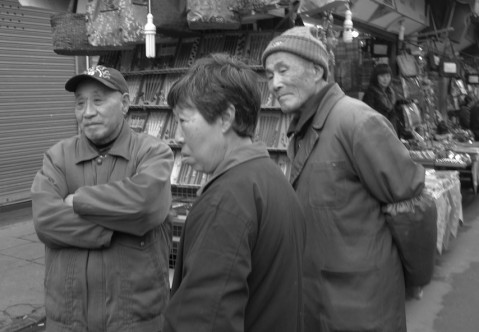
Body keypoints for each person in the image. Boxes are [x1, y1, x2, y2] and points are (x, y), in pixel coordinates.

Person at [262, 26, 425, 331]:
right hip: (316, 301)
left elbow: (412, 207)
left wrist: (414, 278)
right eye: (269, 75)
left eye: (283, 70)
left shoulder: (358, 122)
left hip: (363, 308)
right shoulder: (300, 132)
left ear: (316, 69)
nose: (275, 83)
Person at [163, 53, 306, 332]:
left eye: (183, 120)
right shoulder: (272, 179)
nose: (178, 136)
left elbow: (204, 321)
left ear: (226, 117)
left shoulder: (227, 201)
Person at [31, 65, 174, 332]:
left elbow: (146, 205)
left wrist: (78, 201)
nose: (87, 112)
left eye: (98, 100)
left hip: (137, 320)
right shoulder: (57, 158)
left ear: (125, 104)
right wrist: (121, 223)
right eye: (80, 103)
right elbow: (45, 220)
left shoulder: (153, 152)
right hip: (68, 321)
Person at [362, 63, 399, 133]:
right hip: (376, 131)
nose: (385, 79)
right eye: (382, 76)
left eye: (388, 76)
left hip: (390, 131)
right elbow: (368, 117)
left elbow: (393, 116)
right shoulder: (370, 93)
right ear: (376, 77)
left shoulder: (391, 93)